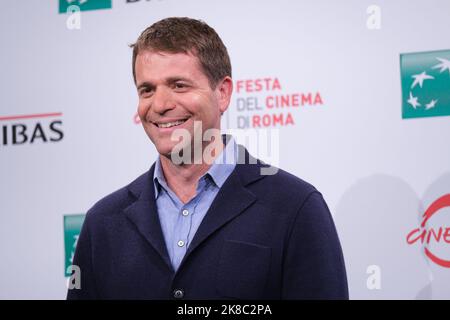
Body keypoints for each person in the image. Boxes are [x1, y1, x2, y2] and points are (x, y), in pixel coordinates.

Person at [67, 17, 348, 300]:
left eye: (178, 85)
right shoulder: (102, 223)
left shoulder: (296, 208)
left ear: (223, 93)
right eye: (147, 90)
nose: (161, 105)